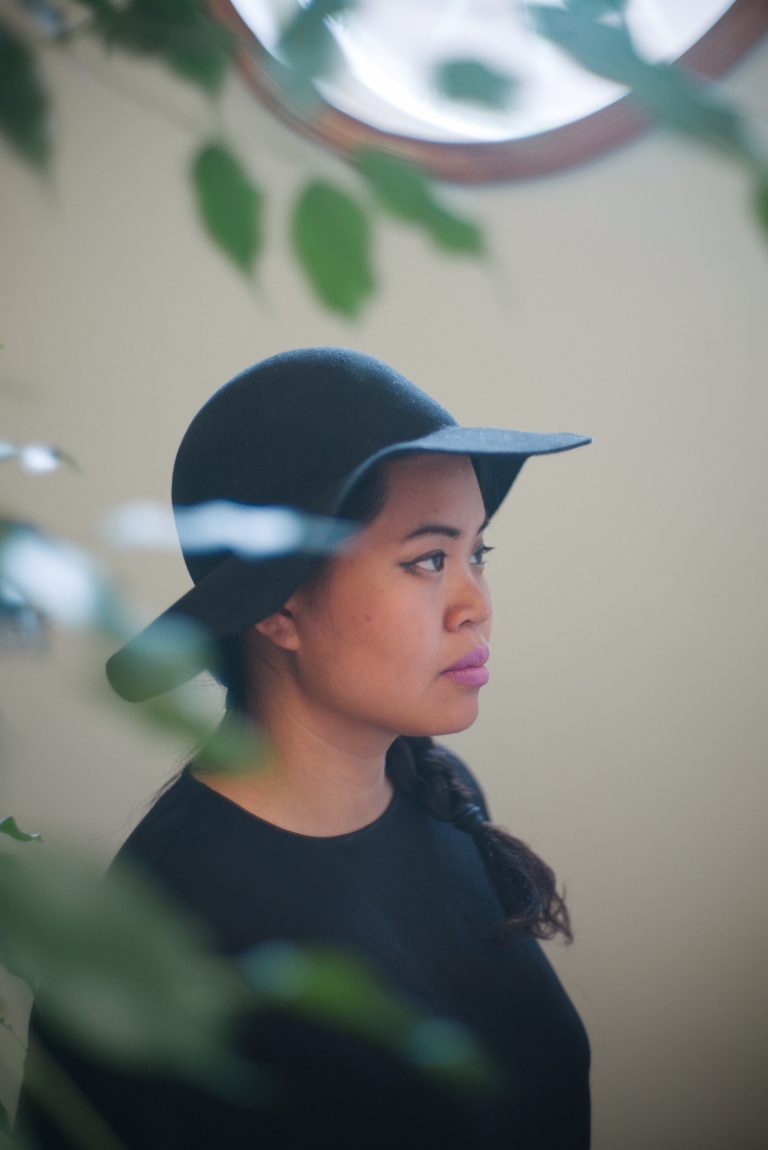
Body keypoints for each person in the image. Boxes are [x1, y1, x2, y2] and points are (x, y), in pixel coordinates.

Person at [19, 347, 592, 1148]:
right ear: (277, 608)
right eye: (429, 559)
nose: (475, 603)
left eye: (476, 553)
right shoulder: (166, 942)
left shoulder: (435, 789)